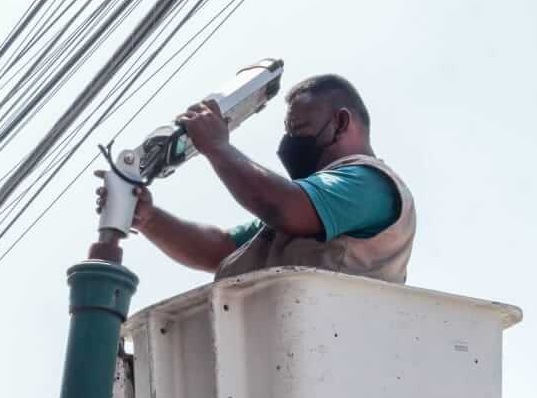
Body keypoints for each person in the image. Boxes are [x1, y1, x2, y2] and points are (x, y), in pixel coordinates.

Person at [95, 74, 416, 283]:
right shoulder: (301, 217)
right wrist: (149, 217)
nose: (291, 144)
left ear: (341, 123)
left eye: (300, 132)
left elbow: (283, 206)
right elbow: (218, 248)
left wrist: (217, 147)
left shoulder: (369, 184)